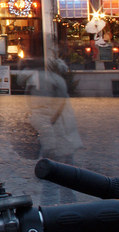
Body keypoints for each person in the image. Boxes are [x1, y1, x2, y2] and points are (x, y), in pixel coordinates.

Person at [28, 57, 83, 204]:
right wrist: (50, 142)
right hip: (57, 144)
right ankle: (51, 211)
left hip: (63, 143)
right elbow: (40, 118)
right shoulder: (49, 93)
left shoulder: (58, 94)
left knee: (65, 182)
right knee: (53, 183)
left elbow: (66, 122)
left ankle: (68, 209)